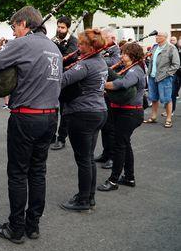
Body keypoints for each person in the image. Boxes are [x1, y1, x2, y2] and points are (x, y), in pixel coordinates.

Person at [0, 6, 62, 244]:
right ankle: (32, 226)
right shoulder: (53, 47)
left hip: (26, 116)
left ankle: (15, 228)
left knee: (17, 173)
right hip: (50, 117)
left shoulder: (23, 43)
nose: (14, 31)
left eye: (14, 26)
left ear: (24, 24)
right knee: (38, 172)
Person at [59, 29, 108, 212]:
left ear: (90, 46)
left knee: (83, 159)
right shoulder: (101, 62)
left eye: (82, 44)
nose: (78, 47)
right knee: (88, 157)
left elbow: (61, 80)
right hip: (98, 111)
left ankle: (83, 200)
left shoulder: (86, 65)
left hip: (83, 113)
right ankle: (90, 196)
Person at [98, 43, 146, 192]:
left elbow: (122, 84)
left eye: (124, 54)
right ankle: (129, 177)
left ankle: (113, 181)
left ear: (132, 56)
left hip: (130, 113)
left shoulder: (135, 71)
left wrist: (102, 84)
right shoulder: (133, 69)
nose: (121, 56)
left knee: (119, 146)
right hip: (128, 112)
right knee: (125, 144)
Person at [95, 28, 121, 169]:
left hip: (112, 92)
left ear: (112, 38)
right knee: (105, 126)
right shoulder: (105, 49)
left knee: (111, 127)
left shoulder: (116, 50)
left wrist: (97, 58)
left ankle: (112, 156)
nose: (102, 39)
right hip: (104, 91)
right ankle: (106, 153)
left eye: (104, 37)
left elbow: (113, 62)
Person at [50, 16, 78, 151]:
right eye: (58, 26)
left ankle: (61, 138)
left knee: (65, 112)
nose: (59, 29)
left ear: (67, 28)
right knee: (53, 110)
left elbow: (71, 56)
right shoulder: (53, 39)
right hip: (54, 77)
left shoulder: (73, 40)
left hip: (67, 79)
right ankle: (51, 136)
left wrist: (59, 47)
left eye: (62, 27)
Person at [143, 32, 180, 128]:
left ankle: (168, 119)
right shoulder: (154, 47)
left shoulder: (171, 48)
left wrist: (167, 74)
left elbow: (176, 64)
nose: (156, 37)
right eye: (156, 36)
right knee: (153, 98)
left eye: (159, 36)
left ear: (165, 37)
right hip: (152, 77)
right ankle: (154, 117)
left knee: (167, 99)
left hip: (164, 78)